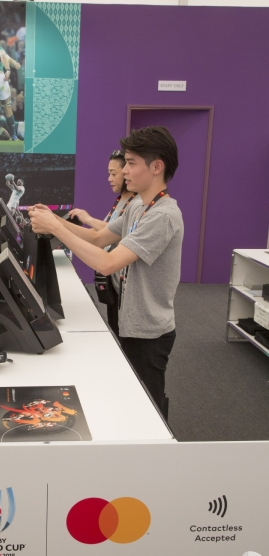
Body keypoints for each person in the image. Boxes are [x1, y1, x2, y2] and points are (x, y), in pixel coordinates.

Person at [28, 126, 183, 421]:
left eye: (132, 163)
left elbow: (107, 263)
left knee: (147, 405)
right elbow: (99, 239)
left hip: (148, 330)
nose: (125, 171)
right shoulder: (139, 205)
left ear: (156, 167)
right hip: (130, 318)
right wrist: (54, 221)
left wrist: (56, 227)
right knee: (131, 395)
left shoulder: (163, 216)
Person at [67, 151, 139, 338]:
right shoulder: (121, 200)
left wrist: (87, 218)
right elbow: (100, 235)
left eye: (113, 174)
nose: (109, 179)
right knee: (115, 330)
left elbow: (116, 234)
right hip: (113, 283)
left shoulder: (137, 204)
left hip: (124, 284)